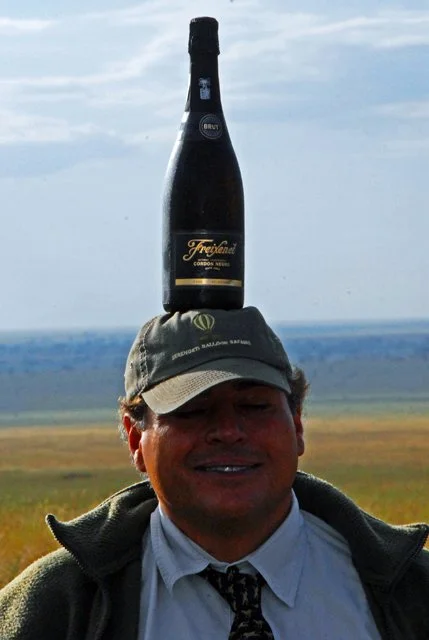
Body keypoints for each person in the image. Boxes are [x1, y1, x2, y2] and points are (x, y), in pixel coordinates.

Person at [0, 306, 428, 639]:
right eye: (192, 411)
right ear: (135, 439)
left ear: (297, 425)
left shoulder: (409, 593)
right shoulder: (58, 606)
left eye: (253, 406)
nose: (227, 430)